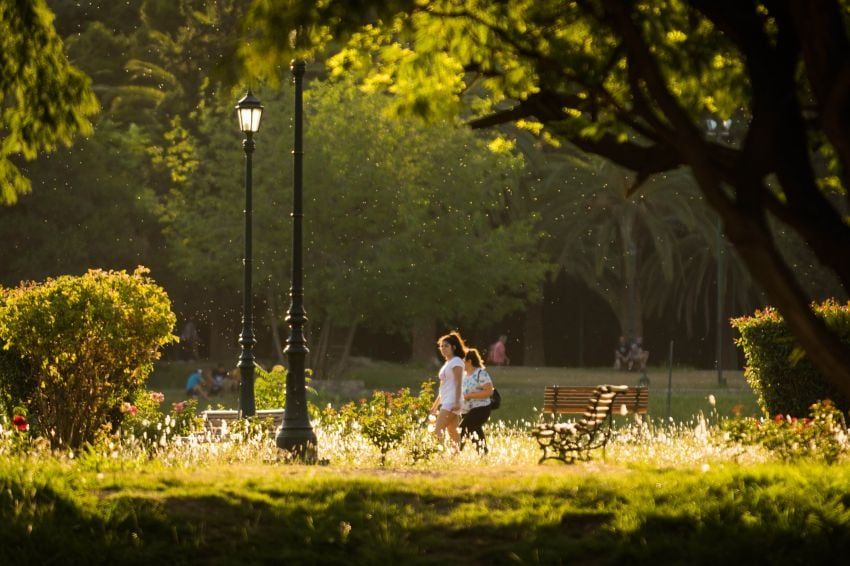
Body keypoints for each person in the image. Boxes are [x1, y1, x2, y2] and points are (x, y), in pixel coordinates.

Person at [429, 331, 467, 450]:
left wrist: (456, 402)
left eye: (446, 346)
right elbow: (443, 387)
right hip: (446, 400)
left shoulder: (456, 361)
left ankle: (438, 453)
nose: (443, 348)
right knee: (452, 432)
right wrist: (435, 405)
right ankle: (456, 457)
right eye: (441, 346)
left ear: (453, 347)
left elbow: (458, 383)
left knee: (437, 430)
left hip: (452, 401)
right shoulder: (447, 363)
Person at [460, 348, 494, 454]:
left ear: (469, 361)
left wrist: (470, 395)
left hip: (481, 409)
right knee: (474, 431)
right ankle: (483, 453)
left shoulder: (480, 374)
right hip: (467, 411)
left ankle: (454, 453)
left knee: (462, 429)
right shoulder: (464, 376)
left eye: (462, 361)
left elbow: (489, 392)